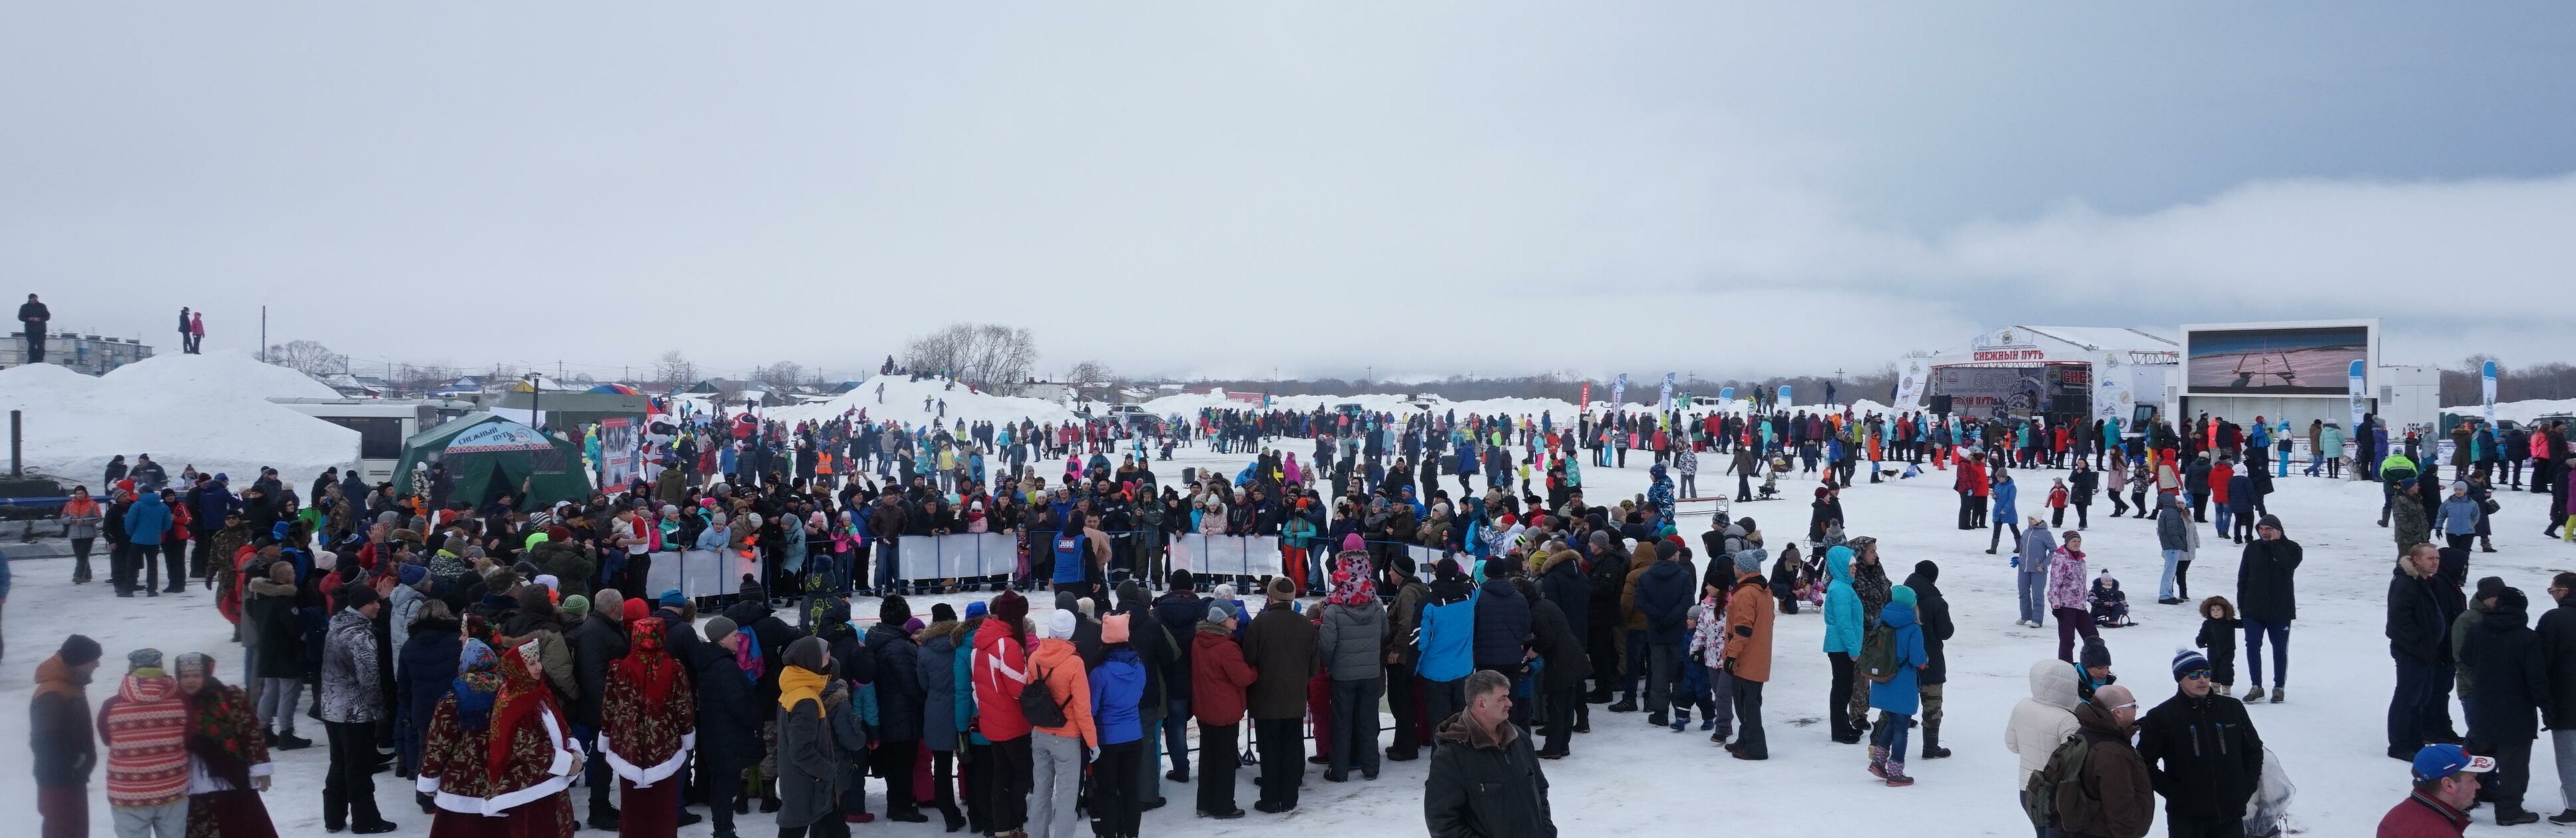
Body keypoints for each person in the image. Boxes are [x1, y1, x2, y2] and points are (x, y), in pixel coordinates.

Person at [2134, 649, 2263, 838]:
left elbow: (2253, 750)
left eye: (2206, 673)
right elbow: (2143, 763)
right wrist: (2175, 793)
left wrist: (2246, 787)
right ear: (2179, 679)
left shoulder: (2232, 708)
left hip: (2230, 814)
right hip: (2186, 819)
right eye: (2194, 675)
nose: (2202, 680)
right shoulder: (2162, 716)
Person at [1422, 669, 1555, 838]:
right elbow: (1442, 823)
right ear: (1481, 704)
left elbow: (1540, 791)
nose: (1510, 703)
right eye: (1502, 699)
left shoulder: (1519, 738)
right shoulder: (1451, 755)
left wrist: (1547, 832)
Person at [2458, 585, 2548, 825]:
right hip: (2517, 710)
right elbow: (2537, 679)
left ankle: (2461, 804)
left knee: (2476, 758)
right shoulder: (2528, 638)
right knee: (2514, 765)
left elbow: (2465, 658)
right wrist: (2548, 710)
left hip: (2483, 704)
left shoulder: (2478, 631)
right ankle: (2509, 811)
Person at [602, 617, 697, 838]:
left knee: (633, 809)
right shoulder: (673, 668)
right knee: (663, 809)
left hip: (628, 749)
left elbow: (609, 705)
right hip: (665, 748)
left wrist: (607, 735)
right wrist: (687, 736)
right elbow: (684, 706)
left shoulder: (619, 668)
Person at [319, 584, 397, 833]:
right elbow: (369, 677)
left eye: (377, 601)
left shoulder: (336, 624)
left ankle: (333, 817)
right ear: (359, 605)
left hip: (331, 707)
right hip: (355, 712)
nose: (377, 606)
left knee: (339, 762)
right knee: (359, 767)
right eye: (372, 603)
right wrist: (378, 710)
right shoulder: (361, 635)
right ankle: (366, 820)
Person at [99, 648, 191, 838]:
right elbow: (189, 738)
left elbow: (107, 739)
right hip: (172, 788)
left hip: (128, 793)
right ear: (161, 669)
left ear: (131, 670)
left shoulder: (112, 705)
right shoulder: (182, 702)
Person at [1243, 575, 1317, 813]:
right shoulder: (1306, 624)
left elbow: (1249, 661)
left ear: (1270, 597)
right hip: (1294, 699)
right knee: (1291, 747)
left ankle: (1270, 798)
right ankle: (1289, 797)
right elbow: (1314, 666)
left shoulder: (1259, 625)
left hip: (1265, 699)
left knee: (1270, 749)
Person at [2387, 542, 2464, 761]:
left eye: (2437, 559)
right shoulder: (2405, 582)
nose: (2436, 562)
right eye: (2430, 559)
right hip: (2413, 653)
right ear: (2416, 560)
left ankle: (2415, 741)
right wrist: (2421, 644)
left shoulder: (2424, 581)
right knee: (2407, 698)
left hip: (2427, 652)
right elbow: (2400, 622)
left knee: (2420, 699)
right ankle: (2400, 745)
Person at [1315, 550, 1387, 779]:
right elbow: (1385, 632)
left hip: (1343, 675)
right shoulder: (1376, 605)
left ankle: (1339, 770)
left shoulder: (1334, 609)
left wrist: (1328, 665)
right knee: (1367, 721)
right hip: (1370, 673)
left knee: (1342, 723)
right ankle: (1371, 768)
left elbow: (1327, 645)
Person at [1026, 609, 1096, 838]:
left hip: (1039, 733)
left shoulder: (1035, 657)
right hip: (1066, 737)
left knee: (1041, 792)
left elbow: (1031, 694)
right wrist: (1092, 742)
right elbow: (1082, 709)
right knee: (1067, 798)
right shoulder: (1075, 663)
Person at [691, 616, 761, 838]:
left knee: (721, 784)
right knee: (725, 786)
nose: (739, 640)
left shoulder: (711, 661)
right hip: (727, 736)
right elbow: (737, 703)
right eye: (734, 636)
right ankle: (723, 831)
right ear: (721, 640)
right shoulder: (724, 667)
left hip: (716, 734)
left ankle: (723, 828)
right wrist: (755, 719)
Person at [2058, 684, 2153, 838]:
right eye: (2133, 705)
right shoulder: (2111, 752)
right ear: (2118, 713)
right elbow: (2119, 806)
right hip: (2103, 832)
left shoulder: (2087, 730)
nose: (2137, 709)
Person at [1190, 599, 1256, 819]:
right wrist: (1255, 669)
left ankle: (1204, 803)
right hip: (1225, 711)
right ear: (1222, 621)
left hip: (1205, 708)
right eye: (1233, 617)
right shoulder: (1226, 647)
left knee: (1208, 758)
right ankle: (1223, 805)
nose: (1237, 620)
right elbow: (1243, 677)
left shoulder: (1199, 641)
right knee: (1225, 761)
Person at [773, 636, 845, 838]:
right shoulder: (806, 699)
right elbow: (801, 751)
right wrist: (829, 771)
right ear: (811, 660)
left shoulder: (795, 687)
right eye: (826, 654)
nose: (830, 657)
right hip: (808, 785)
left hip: (808, 783)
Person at [2006, 658, 2082, 834]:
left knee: (2041, 832)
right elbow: (2073, 763)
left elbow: (2012, 745)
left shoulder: (2022, 707)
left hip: (2028, 789)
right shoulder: (2069, 720)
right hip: (2057, 795)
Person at [1088, 612, 1147, 838]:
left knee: (1108, 791)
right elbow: (1137, 696)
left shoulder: (1100, 672)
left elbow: (1092, 709)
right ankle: (1131, 833)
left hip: (1107, 738)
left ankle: (1110, 833)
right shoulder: (1139, 667)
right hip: (1134, 735)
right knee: (1131, 790)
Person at [1865, 585, 1927, 787]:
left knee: (1892, 722)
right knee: (1901, 728)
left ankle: (1879, 762)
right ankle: (1896, 772)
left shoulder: (1881, 621)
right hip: (1903, 684)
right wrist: (1926, 660)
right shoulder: (1913, 627)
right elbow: (1918, 659)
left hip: (1883, 681)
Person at [2235, 516, 2300, 704]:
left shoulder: (2292, 548)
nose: (2264, 532)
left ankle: (2279, 687)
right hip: (2253, 610)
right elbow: (2243, 577)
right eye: (2261, 528)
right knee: (2252, 646)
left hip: (2280, 610)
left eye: (2268, 529)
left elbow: (2288, 565)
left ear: (2278, 530)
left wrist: (2275, 545)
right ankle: (2257, 686)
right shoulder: (2252, 548)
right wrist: (2242, 605)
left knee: (2279, 650)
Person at [1721, 548, 1774, 760]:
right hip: (1759, 656)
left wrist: (1731, 656)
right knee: (1750, 701)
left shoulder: (1745, 593)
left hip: (1745, 658)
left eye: (1735, 564)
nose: (1733, 567)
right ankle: (1744, 741)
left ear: (1742, 569)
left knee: (1746, 705)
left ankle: (1756, 748)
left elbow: (1742, 630)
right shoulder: (1764, 590)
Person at [1902, 560, 1955, 760]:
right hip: (1930, 659)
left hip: (1903, 660)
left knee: (1897, 701)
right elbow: (1945, 632)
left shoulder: (1901, 597)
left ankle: (1879, 741)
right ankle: (1930, 747)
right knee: (1932, 704)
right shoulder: (1936, 602)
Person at [2376, 743, 2489, 837]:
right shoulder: (2439, 833)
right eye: (2472, 780)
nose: (2478, 786)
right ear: (2449, 785)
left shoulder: (2400, 814)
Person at [2537, 571, 2576, 825]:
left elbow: (2542, 661)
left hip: (2566, 699)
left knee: (2570, 755)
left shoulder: (2554, 619)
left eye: (2553, 592)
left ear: (2563, 591)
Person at [1821, 544, 1864, 743]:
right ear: (1840, 566)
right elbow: (1844, 623)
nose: (1854, 568)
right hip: (1841, 647)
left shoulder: (1844, 586)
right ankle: (1839, 731)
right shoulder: (1840, 589)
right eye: (1850, 565)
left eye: (1855, 565)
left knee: (1845, 688)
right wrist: (1853, 650)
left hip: (1843, 646)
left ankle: (1844, 725)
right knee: (1841, 688)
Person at [2049, 532, 2097, 663]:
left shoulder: (2081, 560)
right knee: (2067, 640)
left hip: (2080, 605)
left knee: (2093, 637)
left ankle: (2095, 667)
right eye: (2074, 542)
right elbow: (2055, 583)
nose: (2077, 544)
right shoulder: (2060, 559)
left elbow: (2082, 582)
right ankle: (2066, 667)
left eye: (2079, 541)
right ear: (2067, 543)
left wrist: (2085, 597)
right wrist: (2056, 605)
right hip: (2065, 605)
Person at [2016, 517, 2057, 628]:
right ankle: (2025, 616)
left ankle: (2037, 620)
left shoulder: (2045, 534)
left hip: (2038, 570)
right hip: (2023, 568)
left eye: (2033, 519)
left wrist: (2044, 565)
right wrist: (2019, 560)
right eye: (2029, 519)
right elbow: (2022, 549)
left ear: (2039, 520)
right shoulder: (2025, 532)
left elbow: (2054, 551)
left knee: (2037, 595)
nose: (2030, 521)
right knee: (2023, 593)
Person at [18, 292, 49, 363]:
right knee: (31, 345)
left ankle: (40, 359)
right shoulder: (25, 307)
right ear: (30, 299)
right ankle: (32, 359)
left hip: (41, 329)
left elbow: (47, 316)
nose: (35, 300)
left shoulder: (42, 306)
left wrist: (40, 319)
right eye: (34, 299)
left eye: (36, 299)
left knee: (41, 345)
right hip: (30, 330)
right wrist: (29, 319)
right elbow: (21, 317)